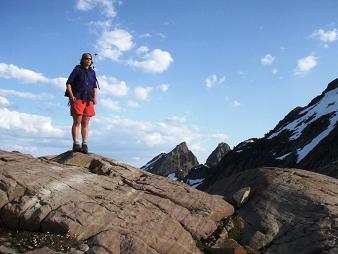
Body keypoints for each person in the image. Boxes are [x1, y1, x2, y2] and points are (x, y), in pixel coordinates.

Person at [66, 53, 98, 154]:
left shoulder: (92, 72)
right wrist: (71, 96)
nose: (88, 60)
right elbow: (68, 83)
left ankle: (84, 144)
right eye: (86, 59)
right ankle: (76, 144)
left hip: (89, 100)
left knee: (85, 124)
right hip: (78, 98)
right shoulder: (77, 70)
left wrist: (95, 98)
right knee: (77, 122)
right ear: (82, 60)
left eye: (89, 59)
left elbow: (94, 86)